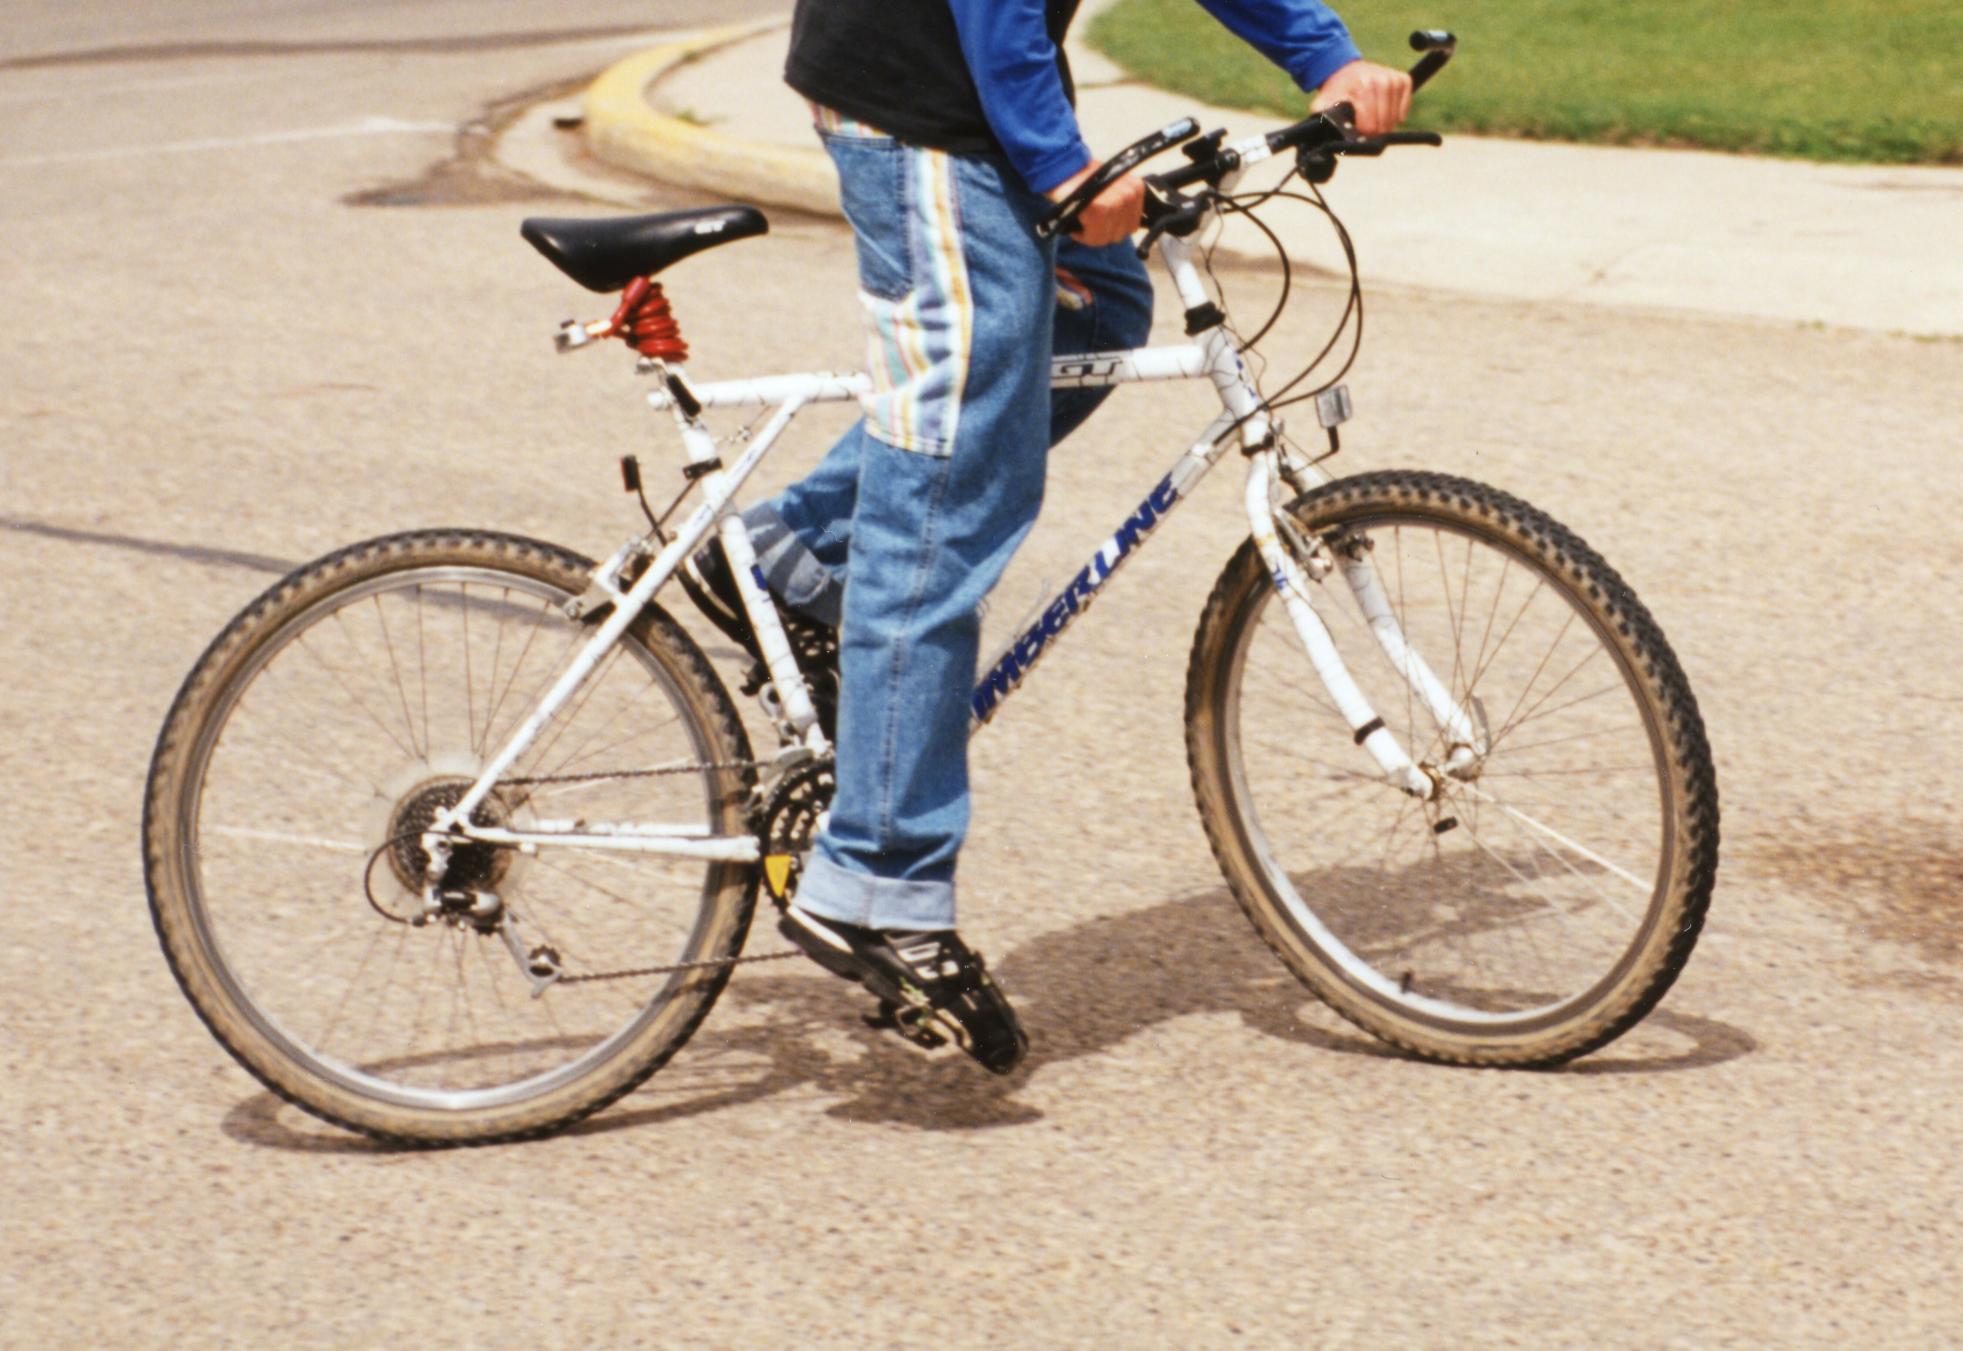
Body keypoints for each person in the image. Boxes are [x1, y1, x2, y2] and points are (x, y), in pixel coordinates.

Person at [691, 0, 1411, 1073]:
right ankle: (874, 880)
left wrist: (1326, 56)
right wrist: (1063, 164)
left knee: (1096, 309)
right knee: (947, 496)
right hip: (924, 112)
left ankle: (787, 556)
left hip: (970, 89)